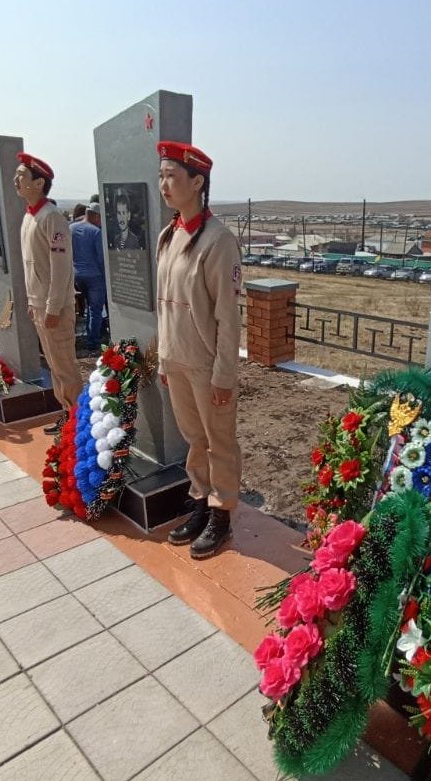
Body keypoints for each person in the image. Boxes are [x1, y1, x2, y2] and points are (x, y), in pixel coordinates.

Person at [155, 140, 242, 560]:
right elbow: (163, 304)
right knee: (194, 439)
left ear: (197, 181)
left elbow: (228, 317)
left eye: (172, 176)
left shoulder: (218, 241)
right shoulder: (168, 235)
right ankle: (201, 502)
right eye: (161, 176)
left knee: (218, 440)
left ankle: (221, 515)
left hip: (208, 364)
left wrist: (225, 374)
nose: (164, 184)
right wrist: (163, 357)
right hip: (177, 358)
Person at [15, 152, 81, 433]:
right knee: (54, 364)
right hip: (40, 303)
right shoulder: (30, 217)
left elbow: (60, 267)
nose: (16, 180)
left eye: (22, 176)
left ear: (39, 182)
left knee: (65, 365)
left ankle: (78, 421)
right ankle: (66, 412)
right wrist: (34, 302)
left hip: (56, 307)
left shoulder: (51, 217)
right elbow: (32, 266)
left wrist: (53, 306)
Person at [71, 202, 109, 353]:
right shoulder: (96, 232)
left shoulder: (72, 228)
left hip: (77, 275)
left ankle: (89, 335)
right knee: (95, 309)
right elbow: (100, 258)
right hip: (94, 275)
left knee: (88, 308)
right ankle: (93, 342)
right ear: (97, 216)